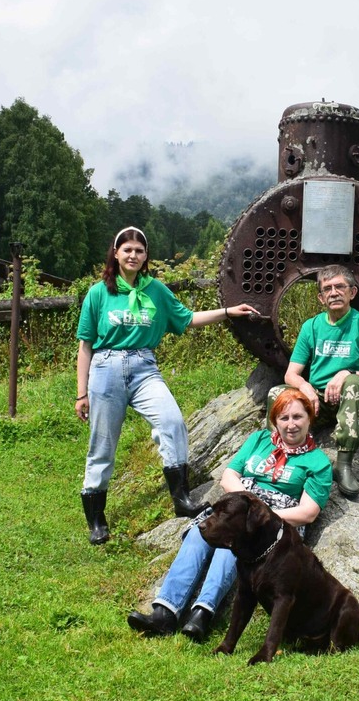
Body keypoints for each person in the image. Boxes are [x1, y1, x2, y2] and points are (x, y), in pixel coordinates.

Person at [75, 226, 259, 544]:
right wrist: (81, 393)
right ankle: (96, 520)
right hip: (105, 368)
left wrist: (229, 312)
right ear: (116, 253)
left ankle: (181, 498)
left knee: (172, 421)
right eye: (127, 249)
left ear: (146, 256)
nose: (133, 255)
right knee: (101, 446)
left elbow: (186, 318)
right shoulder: (99, 293)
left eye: (139, 250)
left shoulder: (155, 291)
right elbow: (85, 345)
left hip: (144, 367)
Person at [127, 388, 332, 642]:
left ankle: (202, 613)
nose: (291, 425)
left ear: (309, 418)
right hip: (239, 505)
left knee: (233, 542)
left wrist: (263, 513)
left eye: (298, 417)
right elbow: (228, 477)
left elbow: (308, 512)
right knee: (198, 533)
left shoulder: (317, 461)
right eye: (284, 418)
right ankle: (165, 612)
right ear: (275, 421)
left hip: (275, 522)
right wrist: (247, 503)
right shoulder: (258, 440)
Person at [268, 265, 359, 498]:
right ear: (321, 298)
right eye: (328, 289)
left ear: (352, 293)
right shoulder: (311, 327)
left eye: (340, 287)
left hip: (354, 399)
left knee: (352, 384)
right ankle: (280, 454)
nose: (334, 293)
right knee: (277, 394)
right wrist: (305, 387)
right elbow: (291, 374)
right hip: (319, 400)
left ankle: (343, 465)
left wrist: (348, 373)